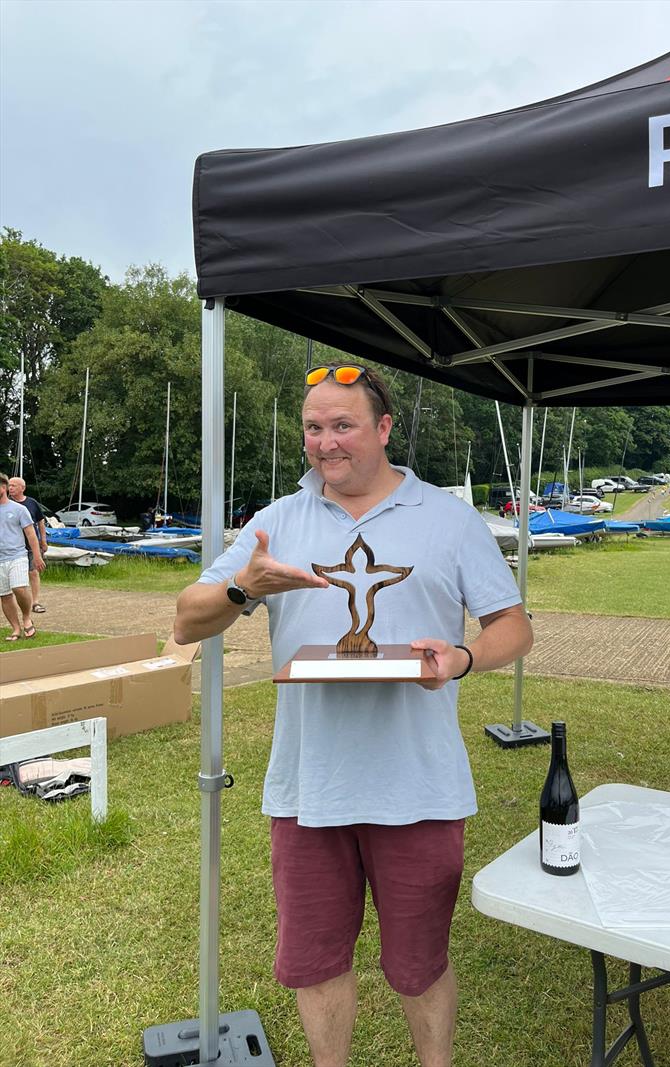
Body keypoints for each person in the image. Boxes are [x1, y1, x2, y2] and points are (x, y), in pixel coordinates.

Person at [174, 363, 533, 1067]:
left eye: (343, 425)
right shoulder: (278, 522)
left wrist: (459, 658)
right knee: (313, 960)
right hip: (311, 790)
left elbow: (514, 627)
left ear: (384, 428)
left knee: (420, 963)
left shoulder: (448, 518)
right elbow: (188, 619)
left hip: (420, 787)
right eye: (314, 427)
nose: (326, 442)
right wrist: (245, 588)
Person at [0, 472, 45, 640]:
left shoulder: (19, 509)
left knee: (19, 588)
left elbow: (31, 533)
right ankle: (16, 629)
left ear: (3, 488)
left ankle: (26, 617)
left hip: (17, 555)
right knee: (4, 596)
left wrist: (38, 556)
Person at [8, 476, 48, 613]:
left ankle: (35, 602)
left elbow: (40, 522)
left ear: (22, 488)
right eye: (9, 485)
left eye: (13, 485)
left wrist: (43, 540)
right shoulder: (5, 504)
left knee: (33, 572)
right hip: (12, 546)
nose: (10, 488)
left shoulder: (32, 503)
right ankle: (13, 602)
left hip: (31, 544)